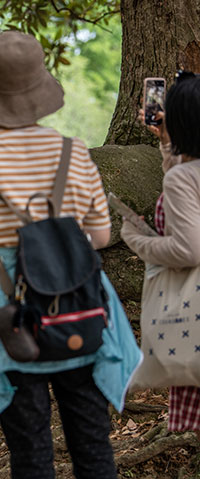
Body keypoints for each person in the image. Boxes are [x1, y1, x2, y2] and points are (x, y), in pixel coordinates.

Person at [0, 30, 142, 479]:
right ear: (40, 89)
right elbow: (102, 234)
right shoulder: (72, 152)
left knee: (29, 450)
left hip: (15, 319)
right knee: (92, 440)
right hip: (79, 310)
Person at [125, 72, 200, 438]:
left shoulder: (183, 177)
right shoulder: (187, 172)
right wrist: (169, 142)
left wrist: (138, 239)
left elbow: (188, 249)